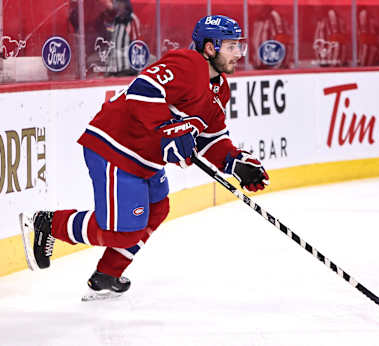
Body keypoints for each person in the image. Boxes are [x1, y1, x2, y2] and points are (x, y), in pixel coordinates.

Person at [20, 15, 269, 301]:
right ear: (210, 48)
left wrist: (234, 162)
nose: (239, 54)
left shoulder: (219, 89)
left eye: (239, 46)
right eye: (231, 46)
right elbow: (143, 91)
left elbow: (210, 137)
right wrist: (168, 131)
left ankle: (107, 273)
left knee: (158, 207)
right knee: (122, 232)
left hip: (145, 157)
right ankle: (46, 223)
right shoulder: (187, 64)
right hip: (117, 146)